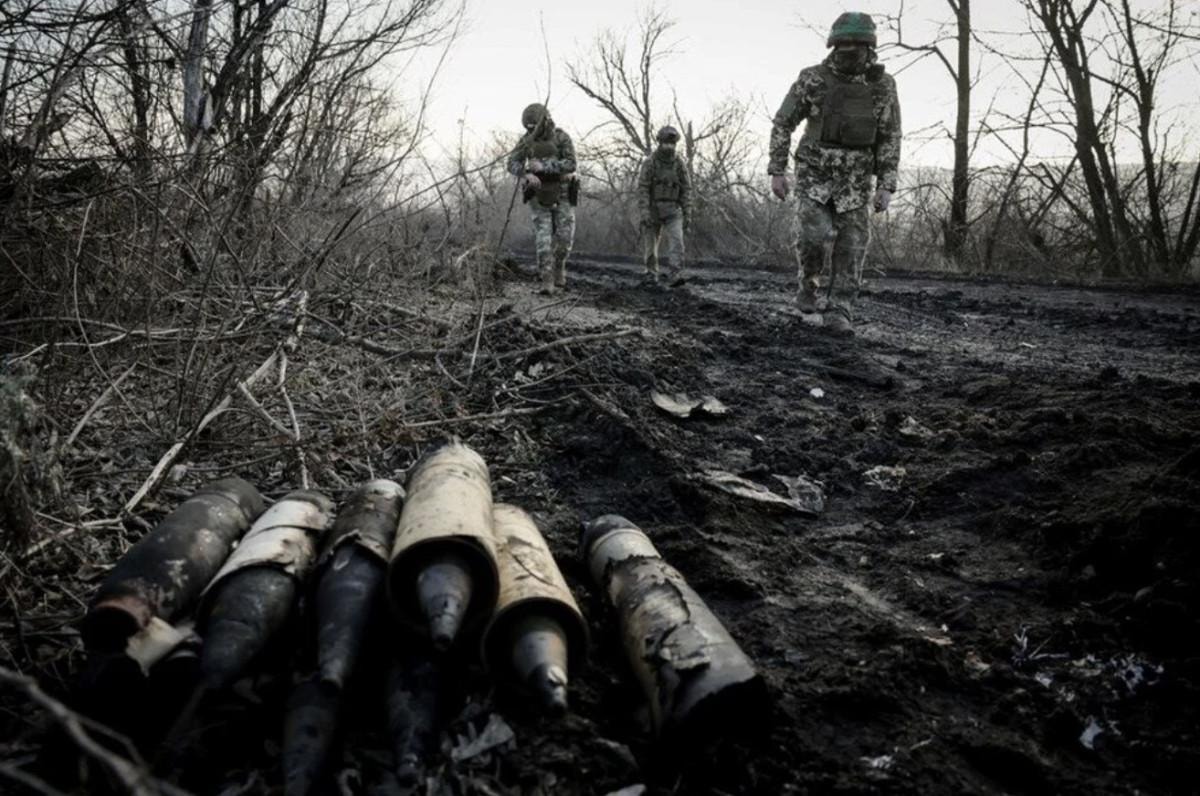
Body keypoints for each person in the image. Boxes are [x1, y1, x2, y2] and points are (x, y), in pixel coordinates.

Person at [768, 11, 902, 334]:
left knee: (852, 246)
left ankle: (840, 310)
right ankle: (808, 286)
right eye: (843, 45)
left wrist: (886, 184)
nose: (849, 51)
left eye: (856, 45)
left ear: (869, 48)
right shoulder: (812, 79)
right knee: (812, 238)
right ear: (834, 45)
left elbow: (890, 136)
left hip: (856, 181)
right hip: (814, 175)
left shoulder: (883, 86)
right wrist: (777, 170)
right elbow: (783, 122)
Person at [507, 103, 578, 294]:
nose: (532, 131)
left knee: (565, 239)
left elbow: (571, 164)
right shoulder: (526, 141)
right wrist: (526, 173)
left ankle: (559, 266)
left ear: (544, 122)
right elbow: (511, 162)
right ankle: (546, 279)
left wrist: (545, 167)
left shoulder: (561, 137)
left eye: (534, 127)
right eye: (529, 128)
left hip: (563, 191)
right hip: (538, 193)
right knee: (543, 239)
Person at [636, 125, 691, 287]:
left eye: (672, 144)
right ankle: (651, 273)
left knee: (677, 242)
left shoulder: (679, 164)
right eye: (666, 143)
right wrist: (645, 212)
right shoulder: (650, 162)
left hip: (673, 209)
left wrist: (688, 212)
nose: (669, 147)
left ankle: (675, 274)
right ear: (660, 143)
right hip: (653, 209)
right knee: (650, 244)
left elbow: (686, 189)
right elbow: (643, 188)